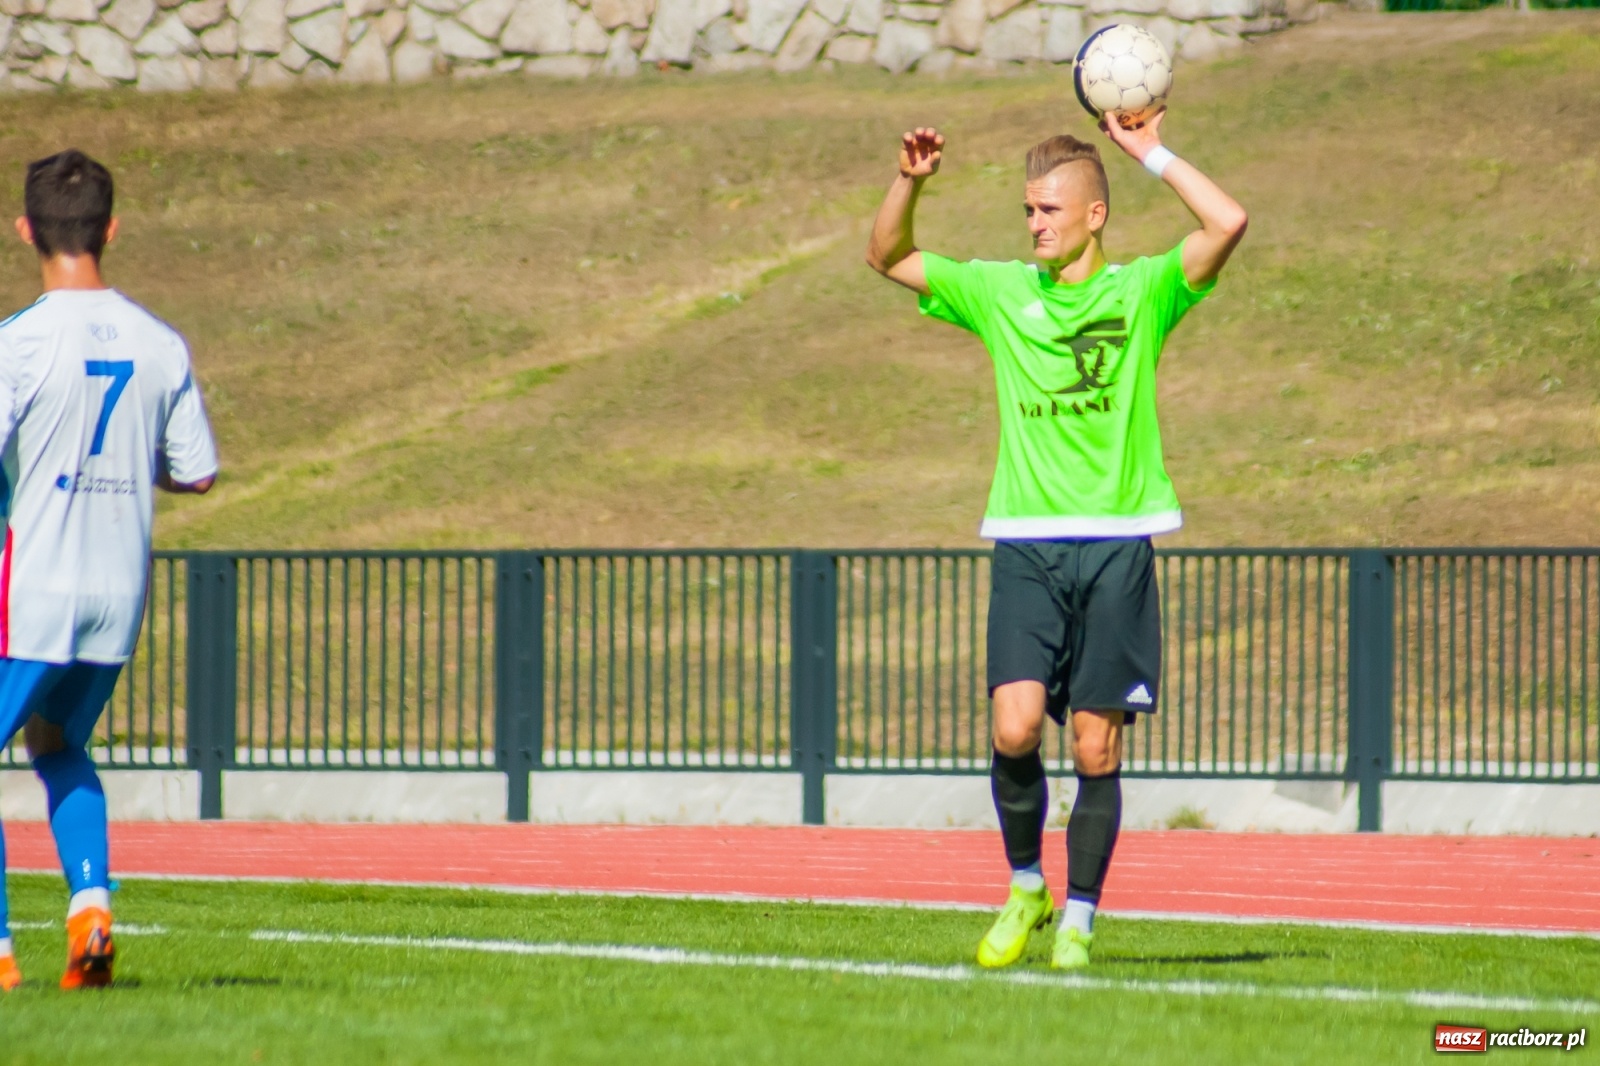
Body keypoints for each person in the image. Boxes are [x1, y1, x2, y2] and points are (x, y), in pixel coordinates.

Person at [865, 111, 1246, 969]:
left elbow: (1227, 223)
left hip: (1117, 545)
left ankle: (1077, 918)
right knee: (1014, 727)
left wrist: (1149, 153)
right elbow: (887, 257)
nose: (1033, 223)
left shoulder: (1146, 291)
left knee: (1092, 744)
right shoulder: (1001, 292)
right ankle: (1026, 884)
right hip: (1028, 544)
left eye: (1047, 209)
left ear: (1092, 215)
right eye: (1027, 210)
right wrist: (910, 181)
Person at [0, 149, 219, 992]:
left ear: (26, 231)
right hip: (116, 594)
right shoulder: (160, 342)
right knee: (57, 744)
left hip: (33, 590)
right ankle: (91, 909)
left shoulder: (18, 345)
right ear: (111, 229)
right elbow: (196, 470)